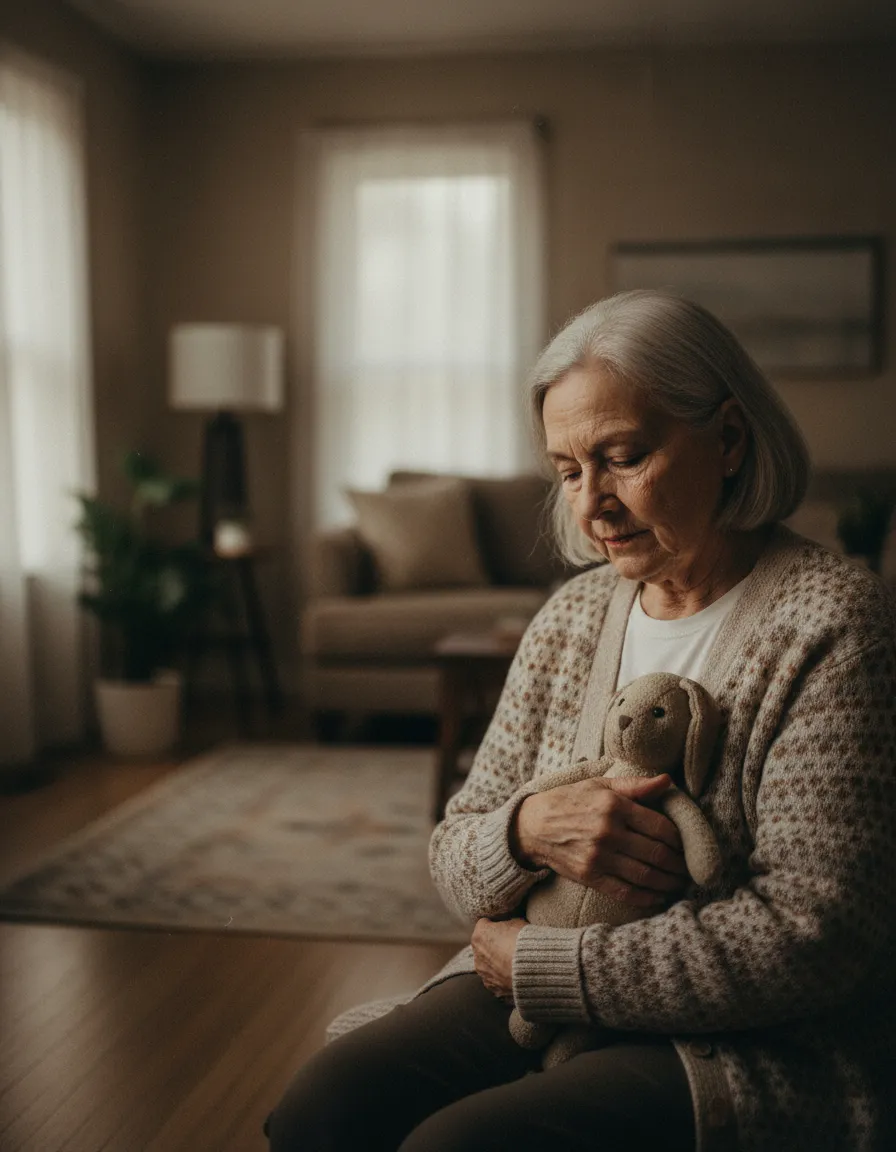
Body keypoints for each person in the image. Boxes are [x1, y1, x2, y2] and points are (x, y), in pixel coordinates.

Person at [267, 291, 896, 1151]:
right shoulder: (570, 617)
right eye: (568, 471)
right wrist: (524, 831)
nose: (592, 502)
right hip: (539, 993)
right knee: (325, 1106)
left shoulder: (835, 623)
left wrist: (547, 966)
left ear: (729, 439)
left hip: (747, 1036)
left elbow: (812, 936)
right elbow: (455, 844)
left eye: (623, 458)